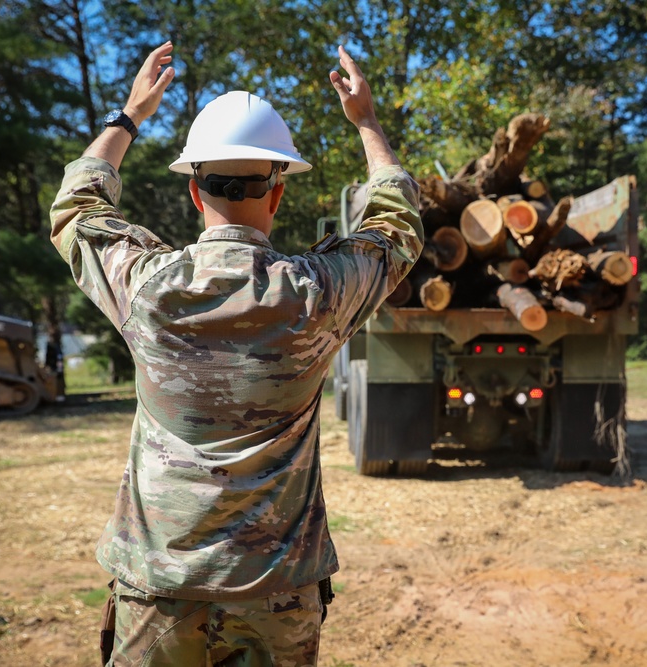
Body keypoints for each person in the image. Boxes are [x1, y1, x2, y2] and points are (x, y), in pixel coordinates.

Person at [50, 41, 423, 666]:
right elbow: (396, 225)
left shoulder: (147, 288)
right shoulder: (319, 295)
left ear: (195, 194)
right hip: (275, 595)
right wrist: (368, 125)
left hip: (159, 589)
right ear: (277, 194)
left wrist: (129, 116)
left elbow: (76, 207)